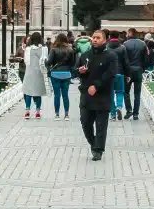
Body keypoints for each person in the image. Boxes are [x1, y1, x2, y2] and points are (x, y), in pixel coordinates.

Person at [77, 29, 117, 161]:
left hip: (102, 95)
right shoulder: (85, 55)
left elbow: (111, 73)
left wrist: (97, 85)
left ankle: (98, 150)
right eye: (93, 37)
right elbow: (75, 70)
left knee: (101, 125)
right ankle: (94, 143)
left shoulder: (110, 56)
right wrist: (79, 71)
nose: (95, 40)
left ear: (104, 40)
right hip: (86, 94)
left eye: (98, 38)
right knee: (85, 122)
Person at [120, 27, 149, 120]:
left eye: (127, 33)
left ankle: (129, 110)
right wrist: (143, 69)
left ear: (130, 33)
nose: (126, 35)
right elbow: (146, 59)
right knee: (137, 93)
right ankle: (136, 114)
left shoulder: (125, 44)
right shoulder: (143, 44)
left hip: (128, 71)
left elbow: (123, 59)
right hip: (138, 69)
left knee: (126, 92)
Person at [47, 33, 76, 117]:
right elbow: (72, 63)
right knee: (65, 94)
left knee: (57, 95)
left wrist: (45, 62)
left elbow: (49, 62)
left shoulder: (53, 49)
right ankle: (66, 114)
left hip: (55, 74)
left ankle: (57, 114)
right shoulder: (70, 50)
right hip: (66, 74)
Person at [21, 31, 48, 118]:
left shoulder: (28, 49)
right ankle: (38, 112)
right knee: (38, 92)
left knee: (28, 92)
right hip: (39, 72)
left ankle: (27, 111)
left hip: (29, 72)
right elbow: (46, 60)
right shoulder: (44, 48)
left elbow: (26, 61)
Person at [108, 33, 127, 120]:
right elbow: (126, 62)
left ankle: (112, 115)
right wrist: (128, 74)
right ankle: (119, 106)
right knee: (120, 91)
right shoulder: (122, 47)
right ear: (118, 37)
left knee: (110, 94)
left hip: (109, 74)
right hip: (120, 72)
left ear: (110, 37)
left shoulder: (106, 47)